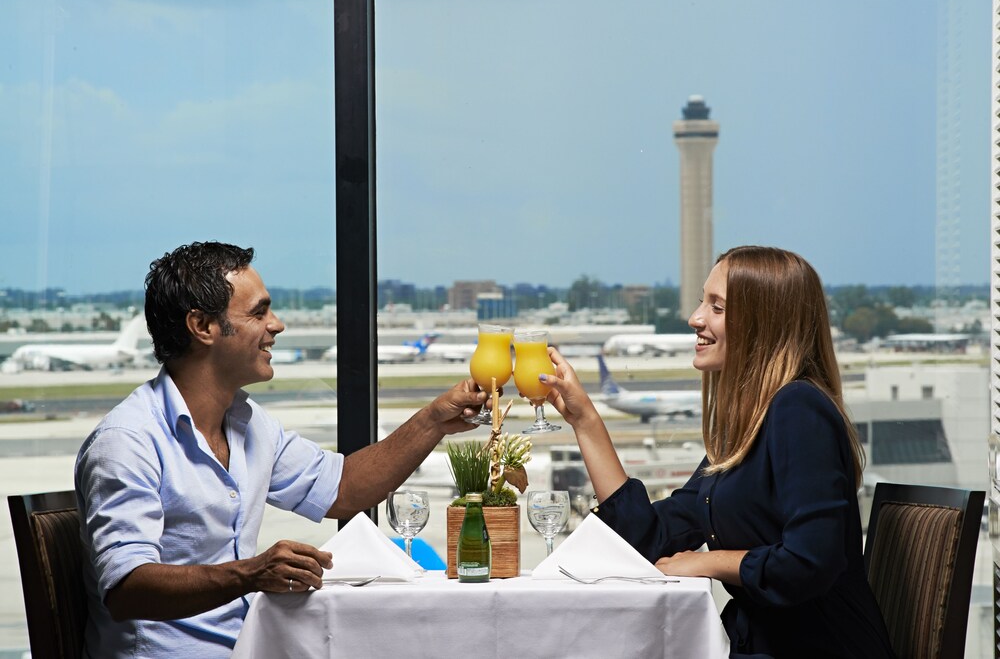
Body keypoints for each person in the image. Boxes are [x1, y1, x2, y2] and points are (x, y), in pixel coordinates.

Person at [74, 241, 488, 658]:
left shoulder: (248, 423)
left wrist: (434, 419)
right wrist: (251, 574)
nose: (277, 325)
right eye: (258, 312)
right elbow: (127, 588)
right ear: (202, 326)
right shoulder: (127, 441)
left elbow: (344, 489)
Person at [540, 246, 895, 658]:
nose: (695, 319)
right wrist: (586, 421)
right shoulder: (745, 429)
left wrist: (707, 562)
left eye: (717, 307)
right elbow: (651, 538)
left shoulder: (798, 409)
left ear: (764, 324)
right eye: (701, 302)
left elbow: (808, 562)